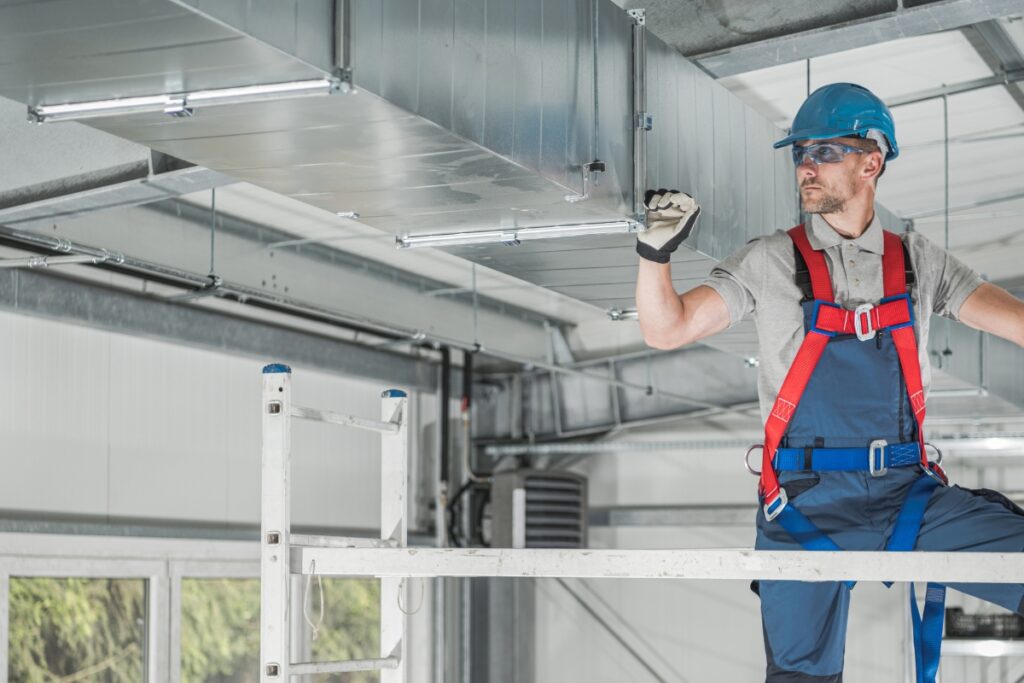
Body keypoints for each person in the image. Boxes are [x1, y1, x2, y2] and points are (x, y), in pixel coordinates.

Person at [634, 82, 1024, 683]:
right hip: (803, 502)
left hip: (903, 493)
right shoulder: (767, 261)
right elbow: (669, 329)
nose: (805, 167)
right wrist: (653, 257)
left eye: (822, 152)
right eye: (799, 154)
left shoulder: (920, 262)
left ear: (872, 161)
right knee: (799, 678)